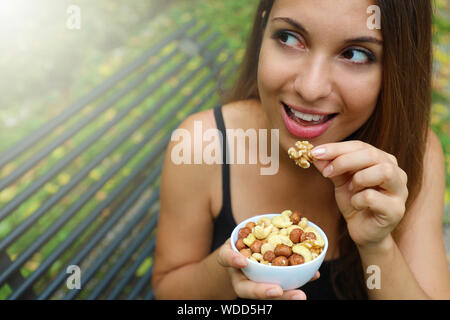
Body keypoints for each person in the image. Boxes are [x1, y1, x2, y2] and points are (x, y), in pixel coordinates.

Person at [152, 0, 450, 299]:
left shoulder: (415, 155)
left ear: (395, 68)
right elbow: (169, 292)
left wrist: (377, 246)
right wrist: (232, 268)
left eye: (354, 54)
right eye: (289, 37)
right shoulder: (204, 142)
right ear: (264, 27)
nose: (310, 87)